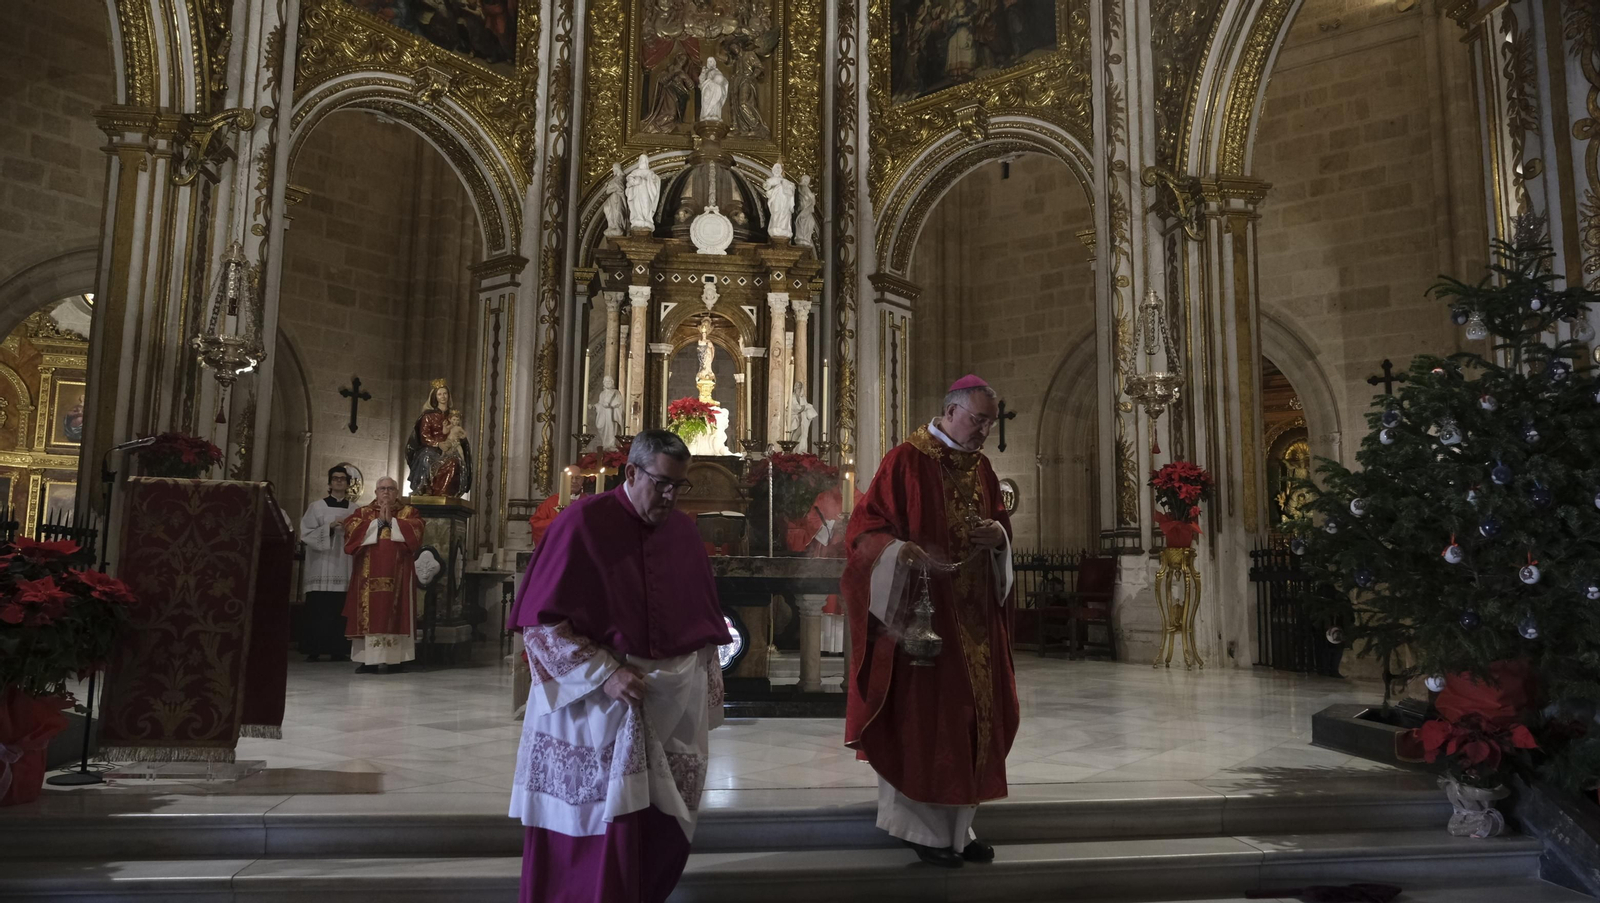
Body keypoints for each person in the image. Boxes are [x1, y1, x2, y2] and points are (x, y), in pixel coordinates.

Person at [508, 429, 730, 903]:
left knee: (659, 830)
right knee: (591, 831)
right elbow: (542, 626)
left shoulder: (684, 532)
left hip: (665, 711)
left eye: (679, 486)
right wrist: (604, 674)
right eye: (663, 483)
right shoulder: (582, 522)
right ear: (631, 472)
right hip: (592, 709)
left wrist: (701, 686)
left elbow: (702, 627)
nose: (671, 496)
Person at [841, 373, 1017, 868]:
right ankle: (917, 829)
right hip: (919, 626)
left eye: (990, 421)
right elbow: (865, 531)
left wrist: (997, 539)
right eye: (979, 419)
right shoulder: (907, 460)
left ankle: (959, 832)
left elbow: (1000, 523)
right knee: (925, 725)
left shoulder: (980, 467)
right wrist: (899, 552)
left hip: (975, 625)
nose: (984, 430)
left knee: (968, 725)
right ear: (951, 410)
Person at [343, 476, 425, 674]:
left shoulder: (408, 512)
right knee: (369, 611)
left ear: (397, 493)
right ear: (376, 492)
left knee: (396, 611)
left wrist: (394, 522)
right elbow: (350, 529)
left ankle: (396, 660)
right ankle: (367, 660)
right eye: (382, 488)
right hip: (366, 573)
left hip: (400, 573)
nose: (386, 492)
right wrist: (378, 523)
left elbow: (418, 530)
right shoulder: (362, 512)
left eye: (390, 488)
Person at [299, 466, 356, 662]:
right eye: (335, 478)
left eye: (343, 479)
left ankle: (338, 649)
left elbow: (361, 535)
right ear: (329, 483)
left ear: (348, 484)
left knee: (339, 608)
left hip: (344, 563)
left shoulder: (355, 509)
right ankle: (314, 648)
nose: (339, 482)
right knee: (319, 607)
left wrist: (349, 529)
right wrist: (329, 528)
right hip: (321, 564)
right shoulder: (316, 507)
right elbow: (306, 533)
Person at [406, 378, 473, 497]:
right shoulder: (428, 416)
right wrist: (438, 444)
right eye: (439, 394)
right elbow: (424, 436)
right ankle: (425, 488)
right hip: (431, 447)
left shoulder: (453, 415)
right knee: (426, 457)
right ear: (435, 397)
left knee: (455, 462)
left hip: (450, 447)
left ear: (448, 395)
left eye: (445, 393)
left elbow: (458, 432)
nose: (443, 396)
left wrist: (458, 439)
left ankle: (445, 492)